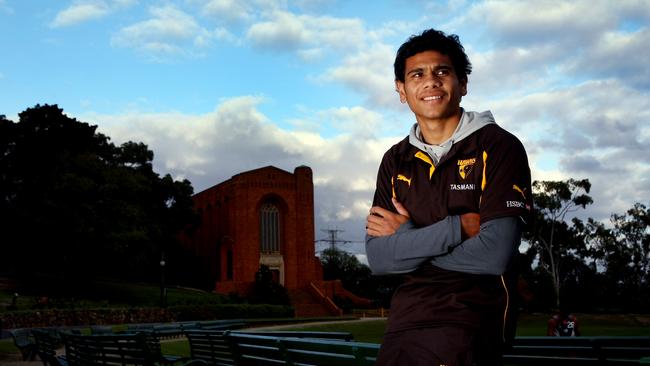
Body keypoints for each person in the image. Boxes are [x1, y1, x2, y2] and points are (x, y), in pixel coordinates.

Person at [365, 28, 533, 366]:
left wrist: (408, 243)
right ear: (401, 90)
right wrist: (455, 229)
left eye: (442, 71)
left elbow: (494, 254)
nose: (431, 82)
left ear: (463, 83)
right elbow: (380, 259)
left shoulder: (498, 146)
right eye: (417, 74)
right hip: (403, 323)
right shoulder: (394, 160)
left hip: (468, 320)